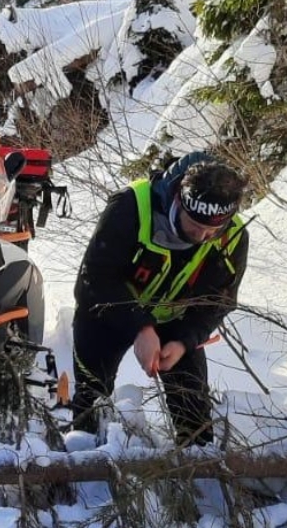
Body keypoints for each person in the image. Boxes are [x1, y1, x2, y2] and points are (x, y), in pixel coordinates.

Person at [71, 152, 249, 447]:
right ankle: (82, 459)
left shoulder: (233, 236)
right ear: (178, 200)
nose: (202, 236)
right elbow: (94, 280)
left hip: (176, 320)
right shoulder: (131, 207)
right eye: (193, 226)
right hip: (112, 308)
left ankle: (195, 470)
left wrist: (184, 342)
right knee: (92, 392)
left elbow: (218, 302)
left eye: (212, 230)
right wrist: (140, 328)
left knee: (193, 407)